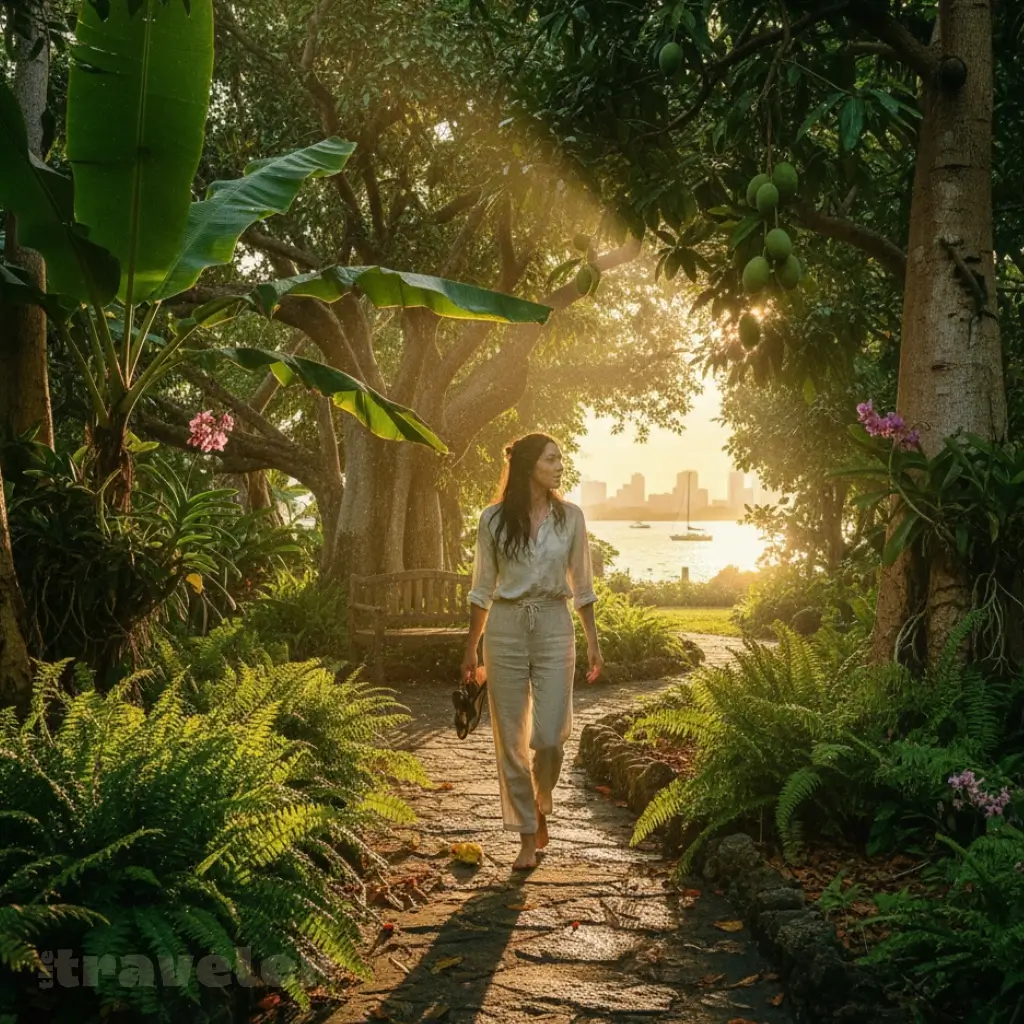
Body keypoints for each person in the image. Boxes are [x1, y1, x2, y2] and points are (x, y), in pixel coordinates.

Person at [461, 433, 604, 870]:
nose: (560, 466)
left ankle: (543, 798)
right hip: (503, 629)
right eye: (552, 459)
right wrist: (471, 650)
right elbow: (482, 588)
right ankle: (526, 835)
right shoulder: (492, 521)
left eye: (560, 459)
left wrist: (594, 643)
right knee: (510, 740)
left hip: (554, 626)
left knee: (549, 737)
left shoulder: (571, 518)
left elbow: (583, 586)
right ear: (529, 466)